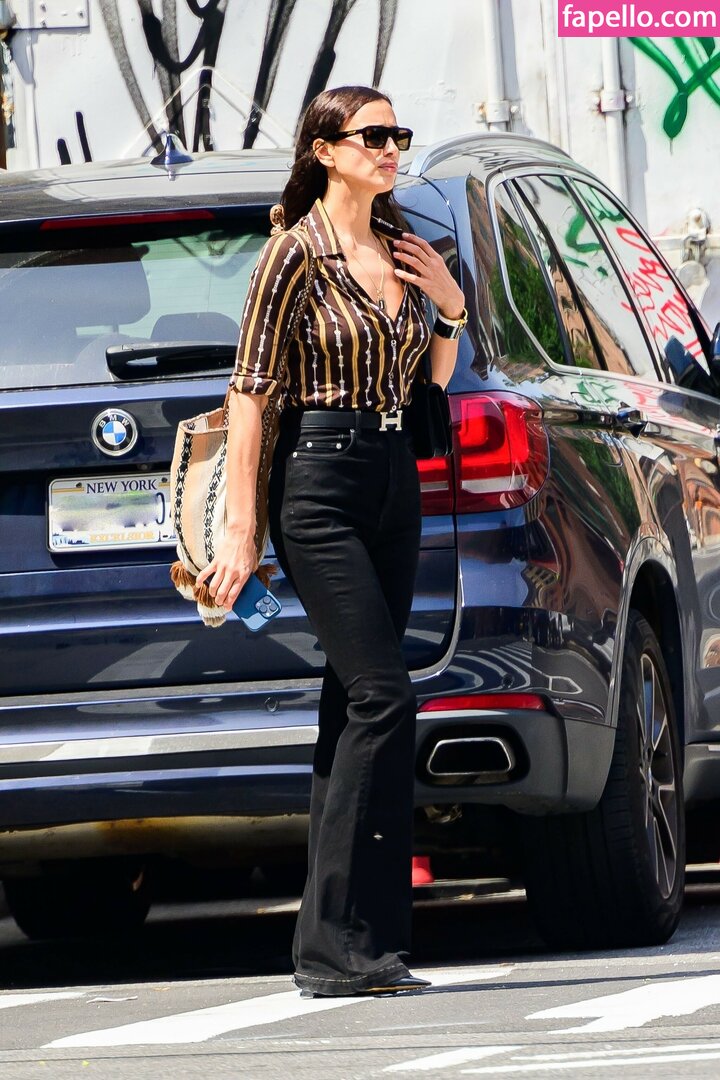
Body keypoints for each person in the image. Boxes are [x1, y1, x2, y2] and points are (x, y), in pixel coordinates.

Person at [196, 85, 466, 998]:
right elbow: (250, 394)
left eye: (399, 134)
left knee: (355, 703)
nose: (391, 149)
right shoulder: (293, 253)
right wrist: (242, 531)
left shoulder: (402, 248)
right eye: (373, 135)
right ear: (324, 150)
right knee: (385, 696)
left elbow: (428, 388)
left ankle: (359, 945)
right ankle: (335, 944)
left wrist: (450, 311)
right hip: (319, 485)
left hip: (394, 477)